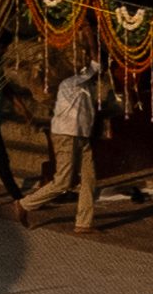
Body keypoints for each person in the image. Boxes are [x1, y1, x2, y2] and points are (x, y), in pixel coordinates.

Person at [12, 58, 105, 235]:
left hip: (82, 136)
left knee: (89, 178)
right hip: (66, 135)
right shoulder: (70, 82)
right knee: (64, 181)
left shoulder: (87, 86)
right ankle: (24, 204)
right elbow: (94, 65)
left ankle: (84, 223)